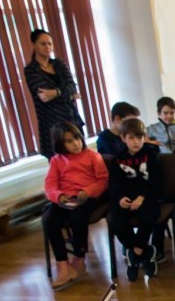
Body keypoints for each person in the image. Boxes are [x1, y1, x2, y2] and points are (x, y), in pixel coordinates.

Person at [42, 121, 108, 290]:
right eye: (69, 141)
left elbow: (102, 181)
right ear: (60, 143)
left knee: (78, 218)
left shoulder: (93, 156)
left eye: (77, 138)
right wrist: (58, 196)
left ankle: (79, 258)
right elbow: (50, 185)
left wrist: (89, 190)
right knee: (49, 219)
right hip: (65, 199)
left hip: (88, 198)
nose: (75, 143)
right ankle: (62, 264)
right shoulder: (56, 161)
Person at [108, 117, 161, 282]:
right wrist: (120, 198)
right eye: (131, 138)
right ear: (123, 138)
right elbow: (114, 183)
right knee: (115, 221)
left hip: (147, 196)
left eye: (140, 137)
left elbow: (155, 180)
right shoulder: (117, 159)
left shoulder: (151, 155)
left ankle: (135, 256)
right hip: (126, 197)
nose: (136, 142)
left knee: (149, 216)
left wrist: (141, 197)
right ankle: (145, 252)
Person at [24, 28, 82, 158]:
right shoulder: (31, 70)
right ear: (34, 45)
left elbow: (72, 87)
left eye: (50, 43)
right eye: (43, 44)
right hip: (51, 121)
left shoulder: (59, 64)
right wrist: (69, 96)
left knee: (80, 159)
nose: (47, 47)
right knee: (60, 162)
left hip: (70, 117)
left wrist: (56, 92)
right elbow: (44, 96)